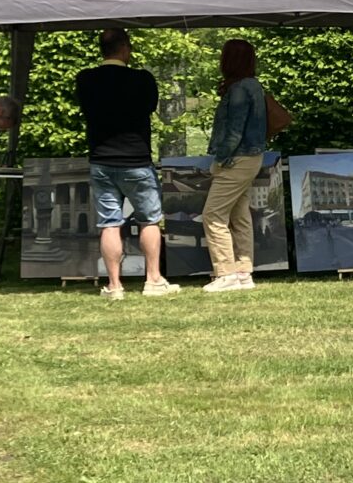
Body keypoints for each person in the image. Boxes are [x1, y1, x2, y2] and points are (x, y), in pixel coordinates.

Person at [75, 28, 178, 302]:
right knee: (149, 220)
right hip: (136, 160)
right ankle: (153, 279)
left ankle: (114, 285)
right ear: (125, 48)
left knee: (109, 224)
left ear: (102, 50)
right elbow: (149, 107)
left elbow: (85, 110)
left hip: (101, 160)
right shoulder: (142, 80)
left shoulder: (85, 79)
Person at [201, 38, 267, 292]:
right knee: (239, 215)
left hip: (237, 158)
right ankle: (243, 272)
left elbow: (234, 132)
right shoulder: (254, 86)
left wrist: (220, 159)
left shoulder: (239, 89)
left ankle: (225, 272)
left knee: (213, 214)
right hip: (251, 156)